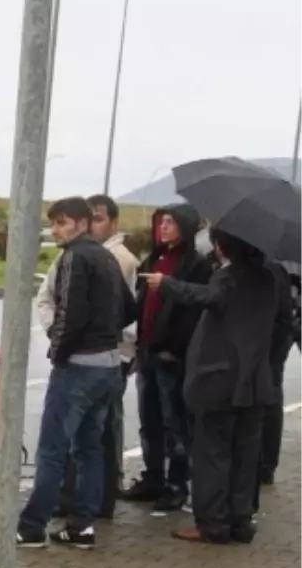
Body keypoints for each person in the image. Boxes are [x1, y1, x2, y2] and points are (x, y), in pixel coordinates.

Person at [142, 230, 291, 543]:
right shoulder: (271, 277)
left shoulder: (229, 277)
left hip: (219, 380)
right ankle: (240, 521)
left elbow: (207, 297)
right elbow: (283, 325)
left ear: (223, 246)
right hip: (256, 382)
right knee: (245, 455)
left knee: (212, 454)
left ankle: (213, 524)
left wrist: (166, 284)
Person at [17, 197, 134, 549]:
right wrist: (105, 333)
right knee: (90, 448)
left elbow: (70, 315)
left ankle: (32, 527)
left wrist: (58, 350)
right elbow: (130, 308)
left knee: (53, 450)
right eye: (53, 223)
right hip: (109, 365)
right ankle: (83, 526)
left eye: (63, 223)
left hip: (79, 367)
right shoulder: (107, 258)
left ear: (83, 223)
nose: (56, 230)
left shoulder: (73, 258)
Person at [122, 205, 214, 514]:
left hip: (171, 356)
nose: (164, 227)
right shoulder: (154, 258)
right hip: (146, 351)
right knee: (149, 421)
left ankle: (177, 484)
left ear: (186, 227)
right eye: (161, 221)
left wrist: (174, 348)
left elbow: (195, 309)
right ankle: (153, 478)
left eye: (171, 222)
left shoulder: (196, 265)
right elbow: (141, 302)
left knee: (175, 423)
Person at [260, 260, 302, 487]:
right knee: (271, 387)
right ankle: (266, 463)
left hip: (284, 318)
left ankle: (266, 464)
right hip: (286, 316)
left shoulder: (273, 245)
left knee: (270, 388)